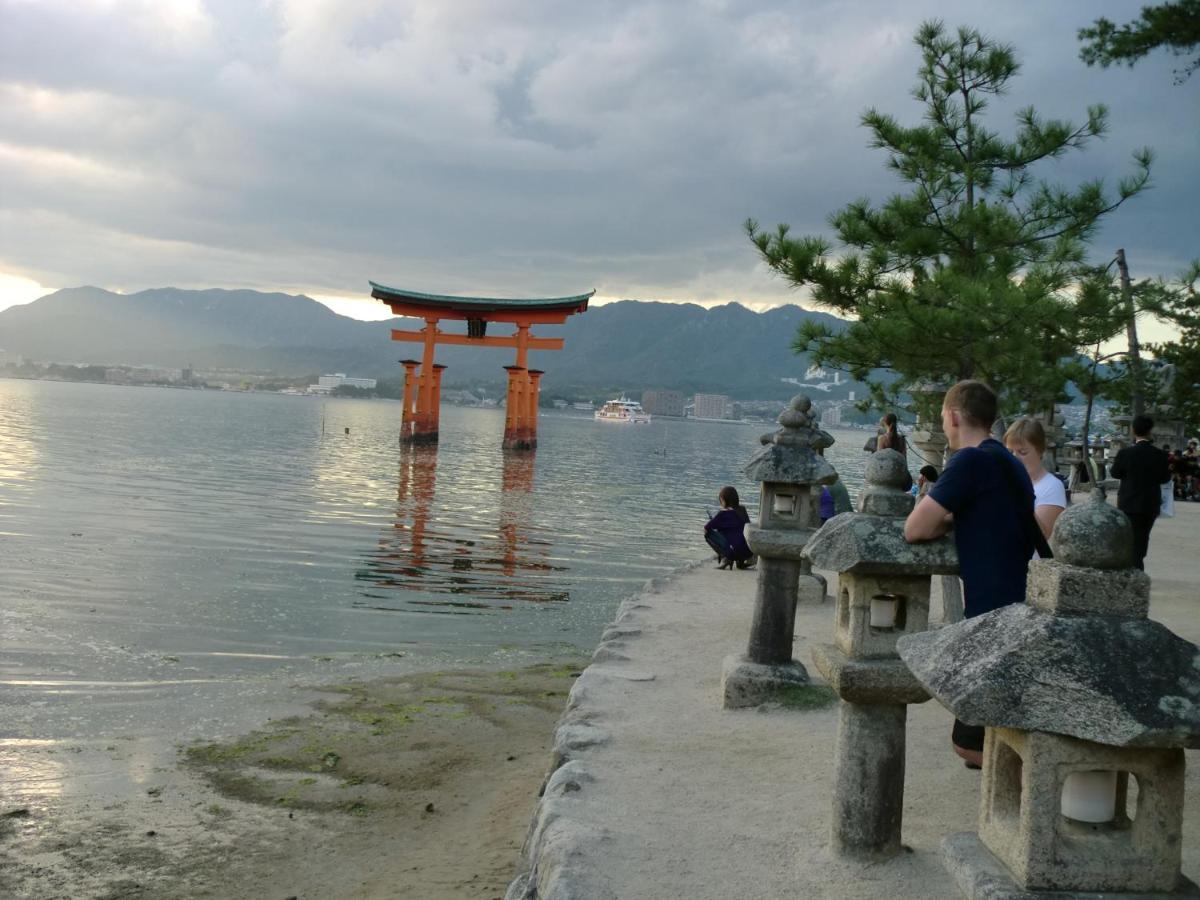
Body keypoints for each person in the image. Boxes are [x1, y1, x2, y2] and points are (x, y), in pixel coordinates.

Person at [904, 380, 1035, 768]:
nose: (945, 425)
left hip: (988, 612)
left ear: (955, 416)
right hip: (1016, 599)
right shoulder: (1009, 460)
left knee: (970, 744)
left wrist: (945, 519)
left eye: (944, 418)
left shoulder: (969, 461)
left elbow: (915, 528)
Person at [1110, 415, 1171, 570]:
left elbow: (1115, 473)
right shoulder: (1160, 455)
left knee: (1128, 539)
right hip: (1150, 503)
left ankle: (1133, 568)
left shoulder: (1125, 453)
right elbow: (1165, 478)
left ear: (1133, 431)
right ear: (1150, 431)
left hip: (1128, 502)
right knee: (1142, 538)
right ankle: (1137, 565)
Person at [1003, 418, 1067, 543]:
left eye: (1023, 452)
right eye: (1010, 452)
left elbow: (1042, 536)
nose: (1015, 458)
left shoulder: (1052, 486)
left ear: (1040, 451)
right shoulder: (1003, 481)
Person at [704, 486, 754, 570]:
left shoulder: (723, 513)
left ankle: (726, 558)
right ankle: (740, 562)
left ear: (724, 500)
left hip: (733, 552)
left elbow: (706, 527)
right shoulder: (742, 510)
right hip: (747, 552)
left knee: (707, 534)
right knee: (737, 536)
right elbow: (743, 525)